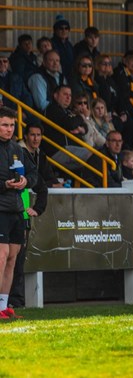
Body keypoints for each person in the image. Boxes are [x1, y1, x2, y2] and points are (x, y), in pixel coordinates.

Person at [10, 122, 58, 309]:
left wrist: (37, 208)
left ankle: (14, 300)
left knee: (16, 259)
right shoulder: (19, 153)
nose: (36, 139)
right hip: (8, 213)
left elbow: (40, 184)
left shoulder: (21, 156)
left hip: (20, 215)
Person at [0, 106, 35, 319]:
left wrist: (25, 181)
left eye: (12, 125)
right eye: (4, 125)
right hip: (0, 210)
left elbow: (33, 174)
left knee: (12, 258)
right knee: (2, 256)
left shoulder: (17, 149)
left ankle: (3, 306)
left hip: (16, 210)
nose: (9, 129)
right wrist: (4, 185)